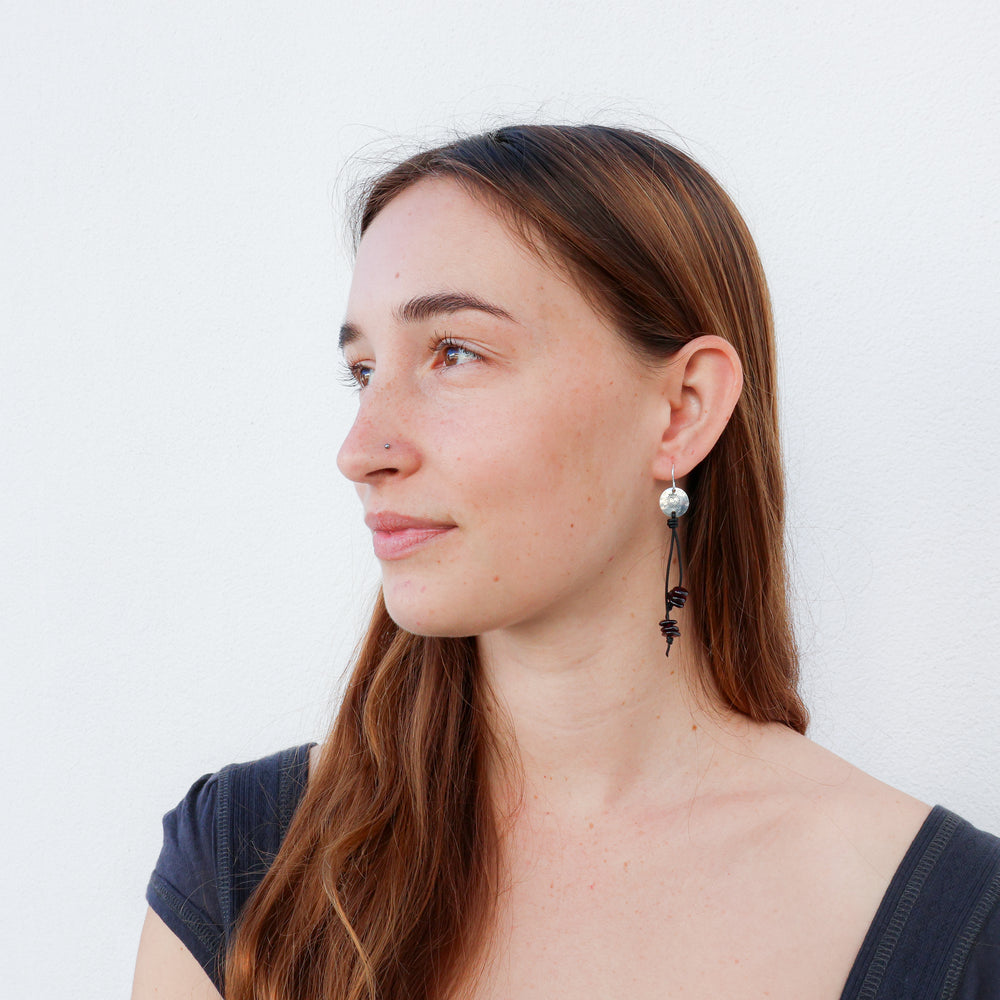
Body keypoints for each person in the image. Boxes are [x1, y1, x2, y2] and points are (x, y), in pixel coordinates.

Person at [131, 124, 1000, 1000]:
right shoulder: (247, 862)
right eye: (363, 371)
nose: (361, 451)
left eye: (454, 353)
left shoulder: (958, 928)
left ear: (682, 409)